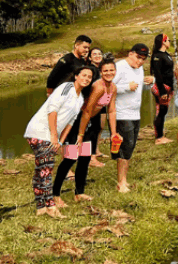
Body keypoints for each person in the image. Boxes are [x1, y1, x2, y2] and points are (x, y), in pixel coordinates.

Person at [24, 66, 93, 218]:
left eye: (90, 77)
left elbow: (70, 122)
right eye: (84, 75)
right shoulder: (66, 88)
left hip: (51, 136)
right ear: (76, 76)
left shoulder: (80, 98)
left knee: (40, 170)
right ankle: (51, 207)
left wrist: (60, 141)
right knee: (46, 171)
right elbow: (52, 111)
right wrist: (54, 136)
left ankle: (41, 207)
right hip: (40, 132)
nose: (87, 78)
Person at [52, 59, 117, 205]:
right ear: (100, 72)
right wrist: (80, 134)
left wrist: (113, 132)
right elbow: (87, 111)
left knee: (85, 157)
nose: (109, 73)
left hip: (87, 124)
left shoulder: (113, 88)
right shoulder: (98, 87)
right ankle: (55, 194)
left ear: (115, 71)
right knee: (70, 157)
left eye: (111, 70)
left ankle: (79, 193)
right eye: (105, 70)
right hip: (75, 123)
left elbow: (111, 111)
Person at [113, 43, 154, 193]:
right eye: (138, 57)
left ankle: (124, 180)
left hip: (135, 113)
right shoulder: (119, 67)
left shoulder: (140, 68)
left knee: (130, 146)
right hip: (122, 113)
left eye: (143, 59)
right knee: (125, 147)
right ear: (130, 53)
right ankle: (121, 182)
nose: (140, 61)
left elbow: (136, 87)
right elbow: (107, 87)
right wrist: (125, 87)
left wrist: (148, 82)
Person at [150, 34, 174, 145]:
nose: (170, 42)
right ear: (163, 41)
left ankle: (161, 135)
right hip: (162, 87)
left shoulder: (166, 54)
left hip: (169, 86)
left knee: (163, 111)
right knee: (161, 111)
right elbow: (158, 74)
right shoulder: (157, 56)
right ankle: (158, 137)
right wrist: (162, 91)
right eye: (168, 40)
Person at [85, 47, 106, 164]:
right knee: (92, 129)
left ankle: (96, 151)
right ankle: (91, 157)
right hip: (93, 103)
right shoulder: (91, 70)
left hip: (102, 102)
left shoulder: (102, 69)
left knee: (100, 126)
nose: (97, 55)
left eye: (99, 53)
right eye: (94, 54)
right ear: (90, 57)